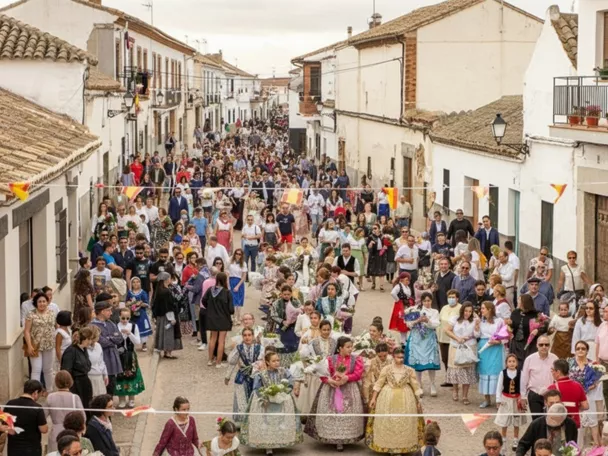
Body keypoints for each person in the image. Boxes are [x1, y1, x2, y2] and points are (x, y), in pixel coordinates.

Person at [305, 336, 366, 452]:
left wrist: (347, 377)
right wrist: (329, 381)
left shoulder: (356, 359)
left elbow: (358, 374)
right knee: (332, 412)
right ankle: (334, 437)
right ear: (340, 348)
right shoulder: (329, 359)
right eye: (347, 347)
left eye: (351, 347)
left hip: (350, 389)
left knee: (347, 412)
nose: (350, 349)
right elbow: (322, 373)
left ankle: (345, 437)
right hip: (331, 389)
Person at [240, 351, 303, 455]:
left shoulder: (284, 371)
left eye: (278, 360)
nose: (277, 363)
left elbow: (290, 381)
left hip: (281, 400)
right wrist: (264, 397)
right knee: (266, 422)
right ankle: (267, 445)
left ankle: (280, 441)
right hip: (266, 402)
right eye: (274, 361)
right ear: (267, 362)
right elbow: (256, 388)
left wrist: (285, 392)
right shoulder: (261, 374)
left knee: (280, 421)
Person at [365, 348, 424, 454]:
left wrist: (418, 401)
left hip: (406, 397)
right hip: (387, 397)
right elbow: (379, 383)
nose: (400, 359)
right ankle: (389, 446)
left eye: (402, 357)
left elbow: (415, 386)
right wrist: (374, 398)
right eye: (398, 357)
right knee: (388, 421)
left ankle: (403, 447)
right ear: (393, 357)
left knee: (405, 421)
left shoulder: (409, 370)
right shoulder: (387, 369)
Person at [296, 319, 337, 416]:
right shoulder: (314, 342)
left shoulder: (334, 342)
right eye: (324, 330)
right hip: (316, 374)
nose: (326, 332)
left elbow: (335, 356)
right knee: (314, 396)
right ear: (320, 330)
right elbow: (305, 356)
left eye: (328, 329)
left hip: (329, 373)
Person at [405, 291, 441, 397]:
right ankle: (419, 385)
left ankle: (432, 384)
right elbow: (408, 324)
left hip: (429, 339)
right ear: (421, 301)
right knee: (417, 362)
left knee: (430, 363)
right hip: (417, 339)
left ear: (431, 301)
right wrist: (417, 320)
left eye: (429, 300)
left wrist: (427, 320)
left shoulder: (434, 312)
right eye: (425, 301)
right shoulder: (415, 309)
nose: (427, 303)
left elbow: (435, 324)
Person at [224, 328, 264, 424]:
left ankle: (255, 419)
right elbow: (232, 362)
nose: (247, 337)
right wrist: (227, 376)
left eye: (249, 335)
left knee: (255, 397)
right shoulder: (239, 348)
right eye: (245, 335)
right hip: (242, 375)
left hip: (256, 376)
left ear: (253, 336)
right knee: (241, 397)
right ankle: (242, 421)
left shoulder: (259, 348)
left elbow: (262, 361)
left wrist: (257, 367)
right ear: (242, 337)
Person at [444, 302, 479, 405]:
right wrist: (458, 338)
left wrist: (477, 325)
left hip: (469, 346)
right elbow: (447, 330)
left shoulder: (474, 321)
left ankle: (465, 396)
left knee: (467, 371)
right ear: (462, 310)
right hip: (455, 346)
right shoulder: (455, 319)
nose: (467, 313)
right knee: (456, 370)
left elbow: (477, 335)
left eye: (470, 311)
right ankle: (455, 390)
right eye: (466, 311)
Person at [568, 340, 602, 447]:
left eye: (583, 348)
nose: (580, 350)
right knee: (577, 422)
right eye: (578, 348)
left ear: (587, 351)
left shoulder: (593, 365)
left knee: (592, 421)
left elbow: (596, 381)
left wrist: (591, 386)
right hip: (574, 397)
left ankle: (596, 446)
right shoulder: (569, 362)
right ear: (575, 350)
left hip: (589, 396)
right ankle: (576, 447)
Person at [3, 380, 47, 456]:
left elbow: (4, 424)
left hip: (13, 448)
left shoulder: (10, 404)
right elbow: (43, 429)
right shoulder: (37, 407)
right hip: (32, 449)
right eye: (39, 395)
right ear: (35, 392)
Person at [44, 371, 86, 452]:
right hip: (72, 432)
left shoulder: (50, 397)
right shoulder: (75, 397)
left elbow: (43, 416)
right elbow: (83, 417)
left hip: (55, 432)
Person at [520, 335, 559, 419]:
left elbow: (558, 377)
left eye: (546, 344)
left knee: (551, 420)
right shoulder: (529, 359)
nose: (544, 347)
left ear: (549, 345)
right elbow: (524, 379)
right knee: (537, 421)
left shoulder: (555, 358)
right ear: (537, 345)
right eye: (541, 344)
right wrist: (523, 396)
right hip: (534, 393)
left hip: (551, 395)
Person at [494, 354, 527, 453]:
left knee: (516, 421)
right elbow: (499, 387)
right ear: (506, 363)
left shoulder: (520, 373)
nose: (512, 363)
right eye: (509, 361)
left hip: (516, 400)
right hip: (505, 399)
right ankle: (503, 440)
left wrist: (523, 398)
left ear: (516, 363)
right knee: (504, 421)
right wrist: (498, 400)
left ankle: (515, 440)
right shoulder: (502, 373)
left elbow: (522, 387)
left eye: (513, 361)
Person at [90, 299, 123, 395]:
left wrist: (109, 338)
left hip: (112, 360)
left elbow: (119, 338)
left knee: (111, 386)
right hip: (102, 359)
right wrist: (112, 339)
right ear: (102, 311)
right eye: (109, 310)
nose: (111, 313)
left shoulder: (111, 323)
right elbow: (101, 341)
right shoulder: (92, 326)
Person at [24, 292, 56, 386]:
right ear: (36, 303)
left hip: (49, 345)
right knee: (36, 370)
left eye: (44, 301)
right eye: (39, 302)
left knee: (48, 369)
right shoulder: (30, 314)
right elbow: (26, 331)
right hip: (35, 346)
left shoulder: (52, 313)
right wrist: (29, 346)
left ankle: (49, 390)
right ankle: (35, 391)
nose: (42, 303)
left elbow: (54, 327)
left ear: (47, 302)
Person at [115, 308, 145, 409]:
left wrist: (129, 333)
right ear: (119, 316)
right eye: (123, 318)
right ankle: (122, 399)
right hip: (119, 355)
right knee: (120, 376)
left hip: (130, 354)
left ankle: (131, 399)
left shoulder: (133, 326)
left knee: (131, 375)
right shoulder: (115, 326)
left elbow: (137, 341)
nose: (125, 320)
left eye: (127, 318)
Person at [477, 301, 505, 408]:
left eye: (483, 308)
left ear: (489, 309)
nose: (481, 310)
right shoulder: (480, 321)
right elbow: (477, 335)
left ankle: (498, 399)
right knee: (484, 372)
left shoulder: (499, 321)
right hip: (484, 347)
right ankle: (487, 399)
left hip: (496, 348)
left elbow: (506, 336)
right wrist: (476, 326)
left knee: (496, 372)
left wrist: (498, 341)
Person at [547, 359, 589, 428]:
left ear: (558, 372)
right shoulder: (578, 385)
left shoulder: (552, 388)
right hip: (575, 423)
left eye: (552, 370)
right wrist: (575, 407)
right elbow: (586, 406)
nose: (552, 373)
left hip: (558, 424)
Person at [204, 271, 234, 368]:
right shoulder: (227, 292)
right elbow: (231, 309)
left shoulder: (210, 290)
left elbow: (204, 301)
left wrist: (210, 309)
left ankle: (209, 360)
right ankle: (218, 362)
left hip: (212, 318)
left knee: (213, 339)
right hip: (223, 319)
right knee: (221, 341)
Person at [60, 327, 93, 413]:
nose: (90, 342)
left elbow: (87, 365)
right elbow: (66, 370)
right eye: (88, 339)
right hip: (75, 384)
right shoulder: (71, 351)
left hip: (84, 383)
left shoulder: (84, 349)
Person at [509, 294, 547, 367]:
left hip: (530, 345)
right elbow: (512, 325)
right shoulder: (515, 313)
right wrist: (509, 326)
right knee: (516, 366)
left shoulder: (536, 314)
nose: (518, 302)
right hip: (516, 344)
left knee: (529, 364)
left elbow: (545, 327)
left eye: (519, 300)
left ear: (524, 302)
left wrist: (537, 330)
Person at [270, 285, 302, 366]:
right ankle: (281, 365)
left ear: (291, 294)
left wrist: (294, 319)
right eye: (284, 294)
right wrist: (282, 321)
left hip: (293, 328)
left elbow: (300, 312)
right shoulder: (276, 303)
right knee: (281, 347)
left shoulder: (296, 302)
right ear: (281, 294)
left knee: (294, 347)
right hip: (281, 329)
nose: (286, 296)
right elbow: (273, 315)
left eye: (288, 294)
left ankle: (293, 365)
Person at [153, 272, 183, 359]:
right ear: (166, 280)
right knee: (169, 334)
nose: (170, 280)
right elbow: (169, 305)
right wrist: (172, 317)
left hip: (161, 316)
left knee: (164, 333)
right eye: (169, 278)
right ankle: (168, 352)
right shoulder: (166, 292)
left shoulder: (159, 290)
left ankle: (166, 351)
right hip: (168, 316)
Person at [126, 277, 152, 351]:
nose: (136, 283)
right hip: (132, 313)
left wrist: (140, 304)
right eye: (134, 282)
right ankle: (132, 344)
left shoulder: (143, 292)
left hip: (141, 313)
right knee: (132, 327)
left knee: (142, 327)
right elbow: (127, 301)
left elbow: (147, 304)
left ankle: (144, 344)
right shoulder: (129, 292)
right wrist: (130, 304)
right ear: (131, 284)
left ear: (140, 283)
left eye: (137, 282)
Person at [87, 325, 108, 397]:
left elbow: (101, 361)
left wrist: (105, 374)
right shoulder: (84, 348)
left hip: (99, 377)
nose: (99, 338)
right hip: (89, 377)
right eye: (97, 336)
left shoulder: (98, 346)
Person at [228, 249, 247, 324]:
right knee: (232, 301)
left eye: (240, 254)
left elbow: (244, 276)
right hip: (231, 281)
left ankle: (238, 317)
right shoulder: (230, 262)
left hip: (239, 282)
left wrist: (238, 286)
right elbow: (227, 273)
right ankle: (233, 317)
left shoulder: (243, 264)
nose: (238, 255)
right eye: (236, 253)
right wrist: (228, 284)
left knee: (239, 301)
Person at [367, 224, 387, 291]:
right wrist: (370, 244)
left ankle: (381, 285)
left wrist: (384, 248)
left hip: (381, 254)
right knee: (373, 269)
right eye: (373, 228)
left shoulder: (383, 237)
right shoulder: (370, 237)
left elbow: (386, 245)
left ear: (379, 229)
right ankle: (373, 283)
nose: (374, 230)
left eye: (375, 228)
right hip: (373, 254)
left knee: (381, 269)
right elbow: (368, 247)